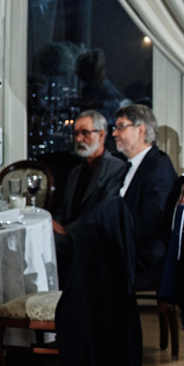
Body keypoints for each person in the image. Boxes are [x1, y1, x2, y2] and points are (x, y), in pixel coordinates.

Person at [52, 110, 129, 283]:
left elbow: (103, 213)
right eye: (76, 134)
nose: (79, 139)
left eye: (85, 133)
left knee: (45, 245)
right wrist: (54, 224)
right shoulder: (75, 172)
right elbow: (65, 209)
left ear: (101, 135)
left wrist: (66, 230)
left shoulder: (116, 169)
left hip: (92, 240)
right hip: (69, 237)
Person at [112, 103, 179, 289]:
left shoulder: (158, 168)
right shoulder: (133, 166)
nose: (114, 133)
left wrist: (110, 241)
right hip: (132, 250)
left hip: (145, 260)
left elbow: (149, 224)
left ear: (141, 130)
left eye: (121, 126)